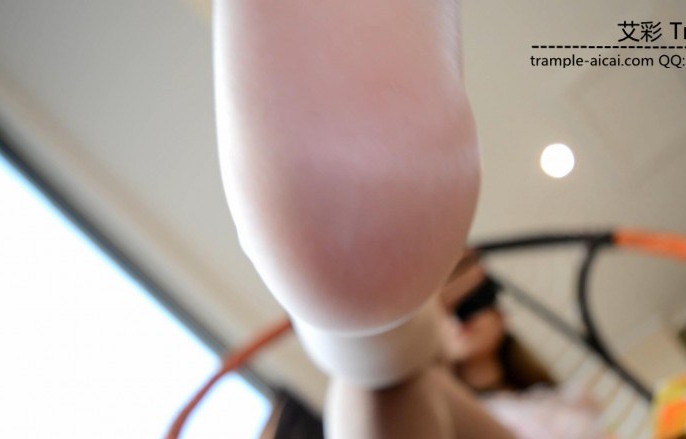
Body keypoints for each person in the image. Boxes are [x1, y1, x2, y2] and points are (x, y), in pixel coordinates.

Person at [214, 1, 514, 437]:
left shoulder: (558, 404)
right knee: (388, 374)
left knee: (377, 375)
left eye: (475, 307)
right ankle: (373, 316)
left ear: (505, 324)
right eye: (462, 312)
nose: (465, 320)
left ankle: (367, 314)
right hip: (423, 379)